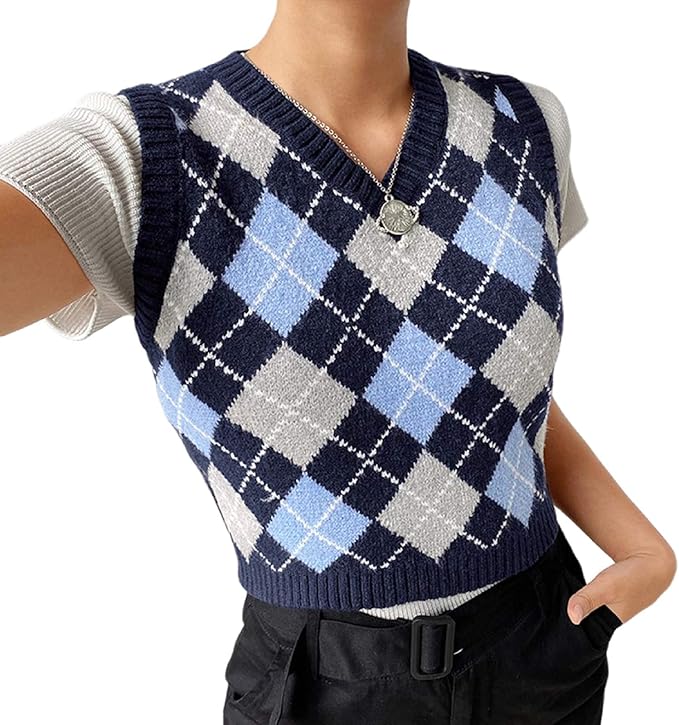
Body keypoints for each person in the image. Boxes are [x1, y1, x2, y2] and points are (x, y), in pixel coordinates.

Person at [0, 1, 675, 723]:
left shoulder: (524, 125)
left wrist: (640, 546)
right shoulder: (143, 158)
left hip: (542, 648)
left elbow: (482, 394)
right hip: (323, 685)